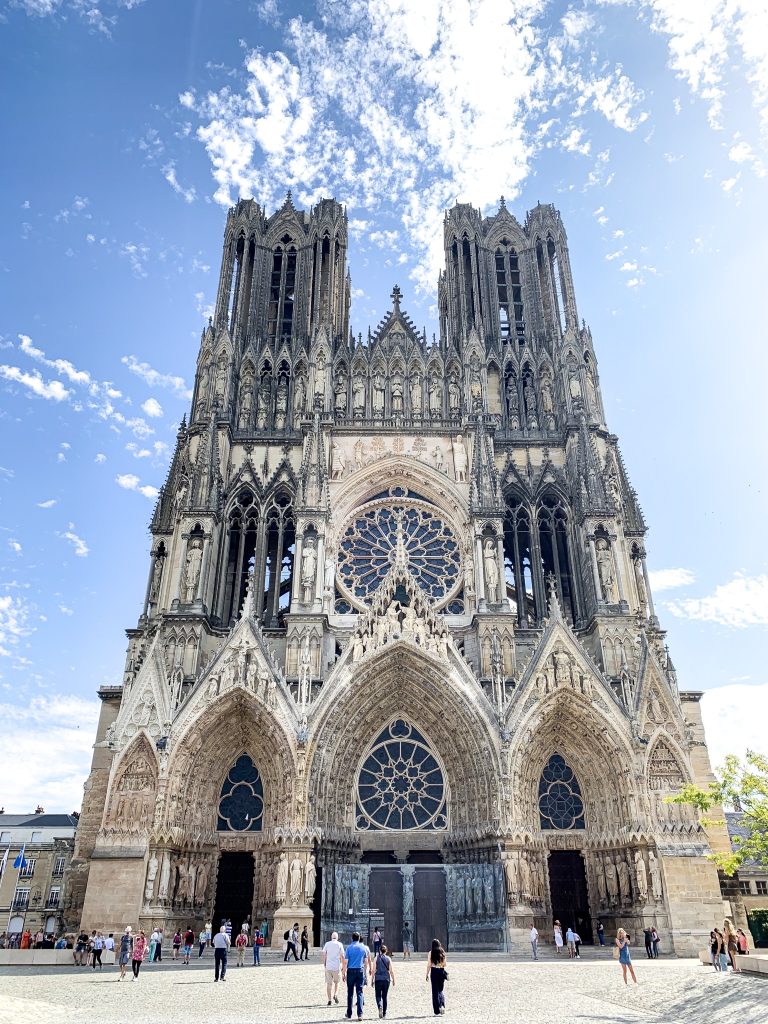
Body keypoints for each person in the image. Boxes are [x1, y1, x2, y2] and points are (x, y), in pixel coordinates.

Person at [342, 930, 370, 1021]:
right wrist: (365, 971)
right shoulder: (363, 948)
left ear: (352, 938)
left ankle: (349, 1013)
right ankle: (360, 1014)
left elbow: (345, 962)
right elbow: (366, 961)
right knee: (360, 992)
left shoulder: (349, 948)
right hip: (360, 971)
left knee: (350, 993)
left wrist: (343, 973)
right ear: (359, 938)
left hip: (350, 971)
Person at [373, 943, 396, 1019]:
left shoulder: (376, 958)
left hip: (378, 979)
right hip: (386, 979)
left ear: (380, 951)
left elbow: (373, 970)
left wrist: (372, 979)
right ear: (386, 951)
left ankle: (379, 1005)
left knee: (378, 995)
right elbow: (391, 971)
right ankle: (384, 1013)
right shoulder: (388, 959)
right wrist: (393, 980)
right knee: (385, 996)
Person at [426, 938, 447, 1016]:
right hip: (441, 971)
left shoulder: (431, 953)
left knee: (435, 991)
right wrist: (440, 964)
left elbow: (429, 965)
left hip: (434, 971)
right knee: (440, 990)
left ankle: (436, 1011)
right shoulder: (442, 952)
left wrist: (427, 974)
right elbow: (445, 964)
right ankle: (442, 1005)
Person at [323, 930, 345, 1006]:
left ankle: (329, 1000)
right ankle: (335, 994)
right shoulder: (339, 944)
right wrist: (342, 964)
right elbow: (342, 955)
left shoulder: (327, 944)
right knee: (337, 982)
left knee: (329, 984)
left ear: (331, 937)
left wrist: (324, 964)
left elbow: (324, 954)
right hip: (336, 966)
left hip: (328, 966)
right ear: (337, 937)